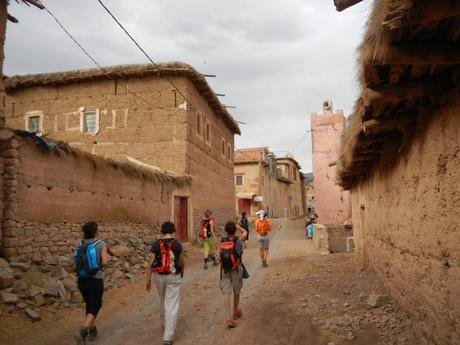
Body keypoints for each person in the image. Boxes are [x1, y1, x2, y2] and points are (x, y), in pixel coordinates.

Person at [146, 221, 185, 345]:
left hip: (159, 276)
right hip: (173, 276)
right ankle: (168, 337)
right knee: (172, 303)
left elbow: (150, 263)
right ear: (173, 230)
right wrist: (182, 271)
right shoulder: (177, 244)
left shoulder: (156, 244)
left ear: (162, 231)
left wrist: (148, 279)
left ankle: (165, 324)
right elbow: (182, 260)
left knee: (162, 299)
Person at [73, 221, 109, 345]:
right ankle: (83, 331)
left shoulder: (79, 244)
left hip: (82, 280)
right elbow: (104, 262)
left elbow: (75, 261)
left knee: (89, 304)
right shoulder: (100, 244)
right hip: (95, 279)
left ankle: (92, 330)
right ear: (96, 231)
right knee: (96, 306)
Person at [218, 221, 248, 328]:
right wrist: (238, 226)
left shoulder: (222, 240)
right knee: (236, 291)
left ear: (226, 231)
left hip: (225, 270)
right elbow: (245, 231)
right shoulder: (239, 240)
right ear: (235, 230)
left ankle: (228, 318)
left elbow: (219, 255)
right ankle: (235, 311)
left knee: (227, 293)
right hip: (236, 269)